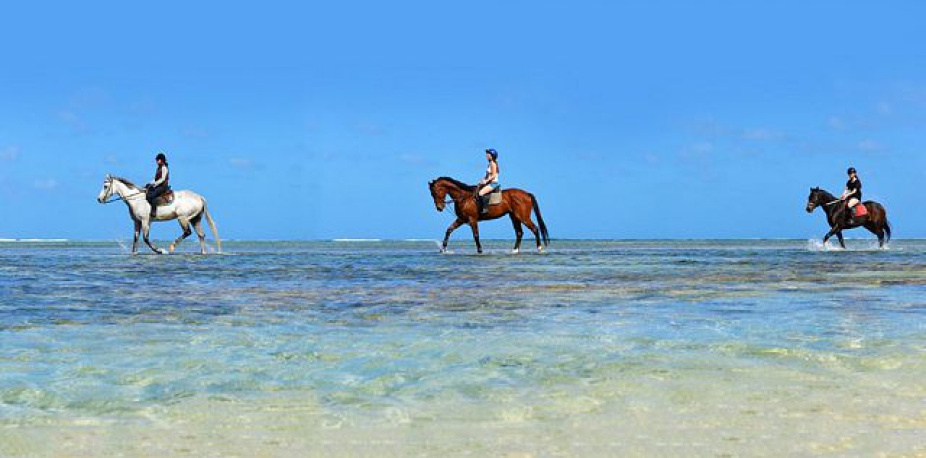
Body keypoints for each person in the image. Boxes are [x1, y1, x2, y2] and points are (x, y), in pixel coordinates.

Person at [475, 148, 500, 214]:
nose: (486, 155)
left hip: (493, 183)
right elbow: (487, 176)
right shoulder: (489, 164)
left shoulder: (492, 163)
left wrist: (486, 181)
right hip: (489, 182)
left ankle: (485, 209)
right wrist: (482, 181)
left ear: (491, 155)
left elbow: (494, 175)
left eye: (488, 154)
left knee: (481, 193)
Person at [146, 153, 170, 218]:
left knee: (152, 195)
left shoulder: (164, 168)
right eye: (157, 160)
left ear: (161, 160)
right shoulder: (158, 168)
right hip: (158, 185)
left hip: (163, 186)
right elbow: (156, 179)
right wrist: (149, 183)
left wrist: (154, 184)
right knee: (148, 192)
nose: (156, 161)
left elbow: (162, 179)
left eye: (157, 160)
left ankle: (154, 211)